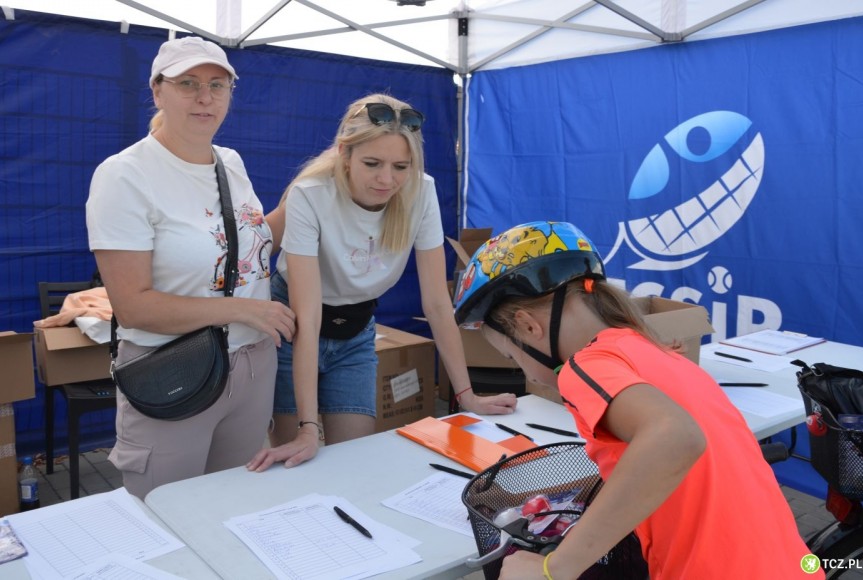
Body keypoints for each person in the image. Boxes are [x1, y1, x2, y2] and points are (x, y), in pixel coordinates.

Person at [453, 221, 822, 580]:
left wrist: (554, 569)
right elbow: (644, 468)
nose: (528, 375)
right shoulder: (651, 351)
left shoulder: (584, 367)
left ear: (528, 326)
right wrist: (532, 494)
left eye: (512, 358)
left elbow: (676, 438)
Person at [247, 93, 517, 472]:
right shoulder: (311, 195)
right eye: (372, 163)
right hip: (296, 328)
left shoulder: (421, 191)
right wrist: (309, 429)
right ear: (345, 153)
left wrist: (466, 395)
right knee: (297, 462)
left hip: (356, 332)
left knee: (354, 461)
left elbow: (438, 304)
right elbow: (307, 318)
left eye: (400, 166)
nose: (387, 179)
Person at [86, 36, 296, 499]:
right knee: (165, 520)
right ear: (158, 91)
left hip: (253, 365)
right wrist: (243, 311)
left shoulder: (231, 162)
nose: (205, 97)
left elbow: (248, 247)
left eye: (218, 85)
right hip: (174, 371)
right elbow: (134, 307)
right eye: (189, 84)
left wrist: (312, 190)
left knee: (230, 509)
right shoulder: (124, 175)